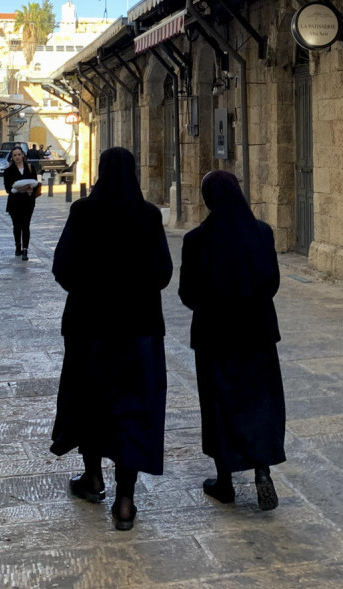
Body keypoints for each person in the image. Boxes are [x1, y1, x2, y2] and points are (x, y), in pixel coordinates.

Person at [50, 147, 173, 531]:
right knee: (133, 410)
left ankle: (92, 477)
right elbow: (164, 273)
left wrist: (90, 291)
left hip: (90, 330)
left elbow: (63, 267)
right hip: (139, 332)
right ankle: (125, 499)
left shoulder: (83, 212)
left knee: (91, 403)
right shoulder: (149, 216)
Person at [178, 169, 285, 511]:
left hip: (215, 337)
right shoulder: (261, 233)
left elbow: (187, 294)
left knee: (219, 404)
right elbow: (272, 283)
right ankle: (262, 470)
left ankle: (224, 481)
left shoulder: (196, 240)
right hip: (257, 334)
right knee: (259, 402)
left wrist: (216, 304)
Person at [2, 146, 39, 260]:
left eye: (19, 154)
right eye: (15, 155)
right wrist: (22, 188)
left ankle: (25, 250)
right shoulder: (8, 171)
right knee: (17, 226)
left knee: (26, 225)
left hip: (28, 201)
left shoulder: (30, 168)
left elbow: (36, 184)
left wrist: (30, 190)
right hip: (15, 202)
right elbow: (9, 189)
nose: (17, 157)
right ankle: (18, 246)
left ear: (23, 155)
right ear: (12, 157)